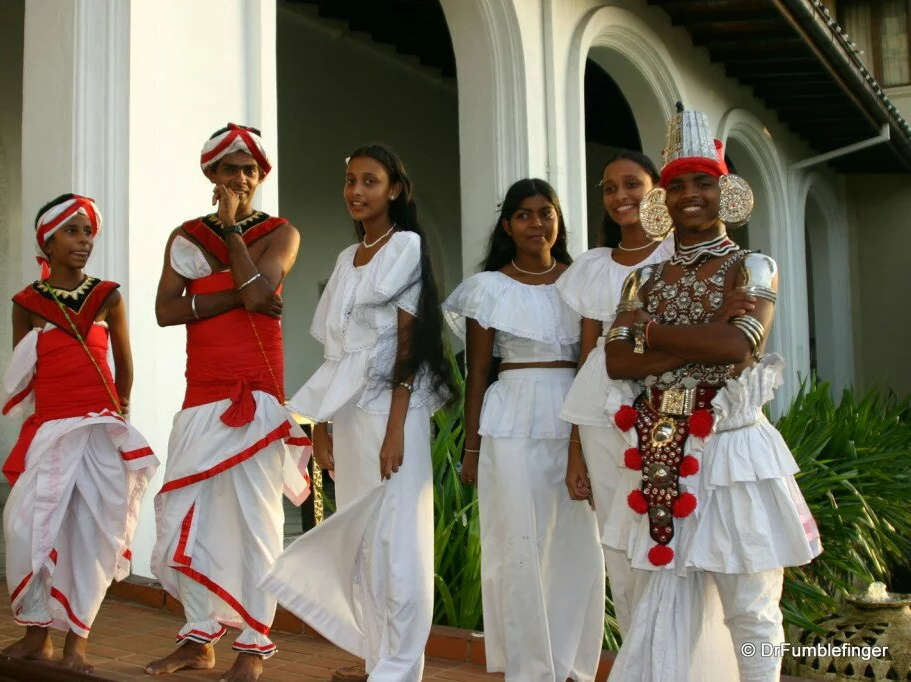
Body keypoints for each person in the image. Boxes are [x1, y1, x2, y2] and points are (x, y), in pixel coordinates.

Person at [603, 104, 821, 682]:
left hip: (731, 450)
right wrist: (691, 339)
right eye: (677, 186)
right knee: (664, 604)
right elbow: (619, 360)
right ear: (663, 199)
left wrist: (653, 335)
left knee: (749, 606)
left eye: (704, 182)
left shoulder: (753, 265)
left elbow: (738, 349)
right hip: (658, 451)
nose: (689, 195)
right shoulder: (642, 278)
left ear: (726, 193)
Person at [259, 143, 455, 682]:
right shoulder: (347, 260)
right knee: (364, 539)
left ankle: (399, 667)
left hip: (393, 411)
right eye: (350, 181)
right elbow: (333, 352)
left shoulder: (407, 247)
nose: (356, 191)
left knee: (399, 541)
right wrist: (321, 426)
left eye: (370, 181)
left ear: (394, 189)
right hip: (346, 417)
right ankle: (376, 659)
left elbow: (408, 343)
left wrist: (396, 429)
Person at [146, 123, 310, 682]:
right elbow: (166, 312)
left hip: (255, 397)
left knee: (256, 523)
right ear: (210, 175)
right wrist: (230, 295)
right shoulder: (185, 237)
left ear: (261, 177)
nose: (240, 177)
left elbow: (263, 294)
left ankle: (254, 646)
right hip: (203, 394)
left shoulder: (281, 232)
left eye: (250, 169)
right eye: (229, 168)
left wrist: (233, 234)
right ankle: (198, 639)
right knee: (194, 516)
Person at [444, 178, 604, 682]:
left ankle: (571, 664)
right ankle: (528, 668)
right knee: (516, 541)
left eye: (546, 212)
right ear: (508, 226)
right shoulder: (489, 287)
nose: (537, 223)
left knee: (576, 543)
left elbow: (593, 362)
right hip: (509, 415)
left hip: (573, 414)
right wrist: (470, 447)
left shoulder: (582, 283)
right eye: (525, 215)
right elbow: (476, 374)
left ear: (559, 219)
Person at [0, 193, 158, 673]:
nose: (84, 241)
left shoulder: (108, 296)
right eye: (73, 231)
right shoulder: (26, 303)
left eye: (89, 232)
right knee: (28, 528)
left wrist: (118, 410)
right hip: (50, 429)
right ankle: (36, 636)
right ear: (46, 241)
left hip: (97, 428)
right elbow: (24, 374)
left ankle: (77, 645)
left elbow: (125, 366)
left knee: (91, 533)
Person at [557, 151, 675, 635]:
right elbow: (586, 356)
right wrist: (574, 454)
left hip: (664, 404)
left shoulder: (677, 254)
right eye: (609, 188)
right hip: (597, 411)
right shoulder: (592, 265)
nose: (621, 196)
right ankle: (635, 655)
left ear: (657, 190)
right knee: (616, 540)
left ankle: (669, 651)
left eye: (632, 184)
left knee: (661, 531)